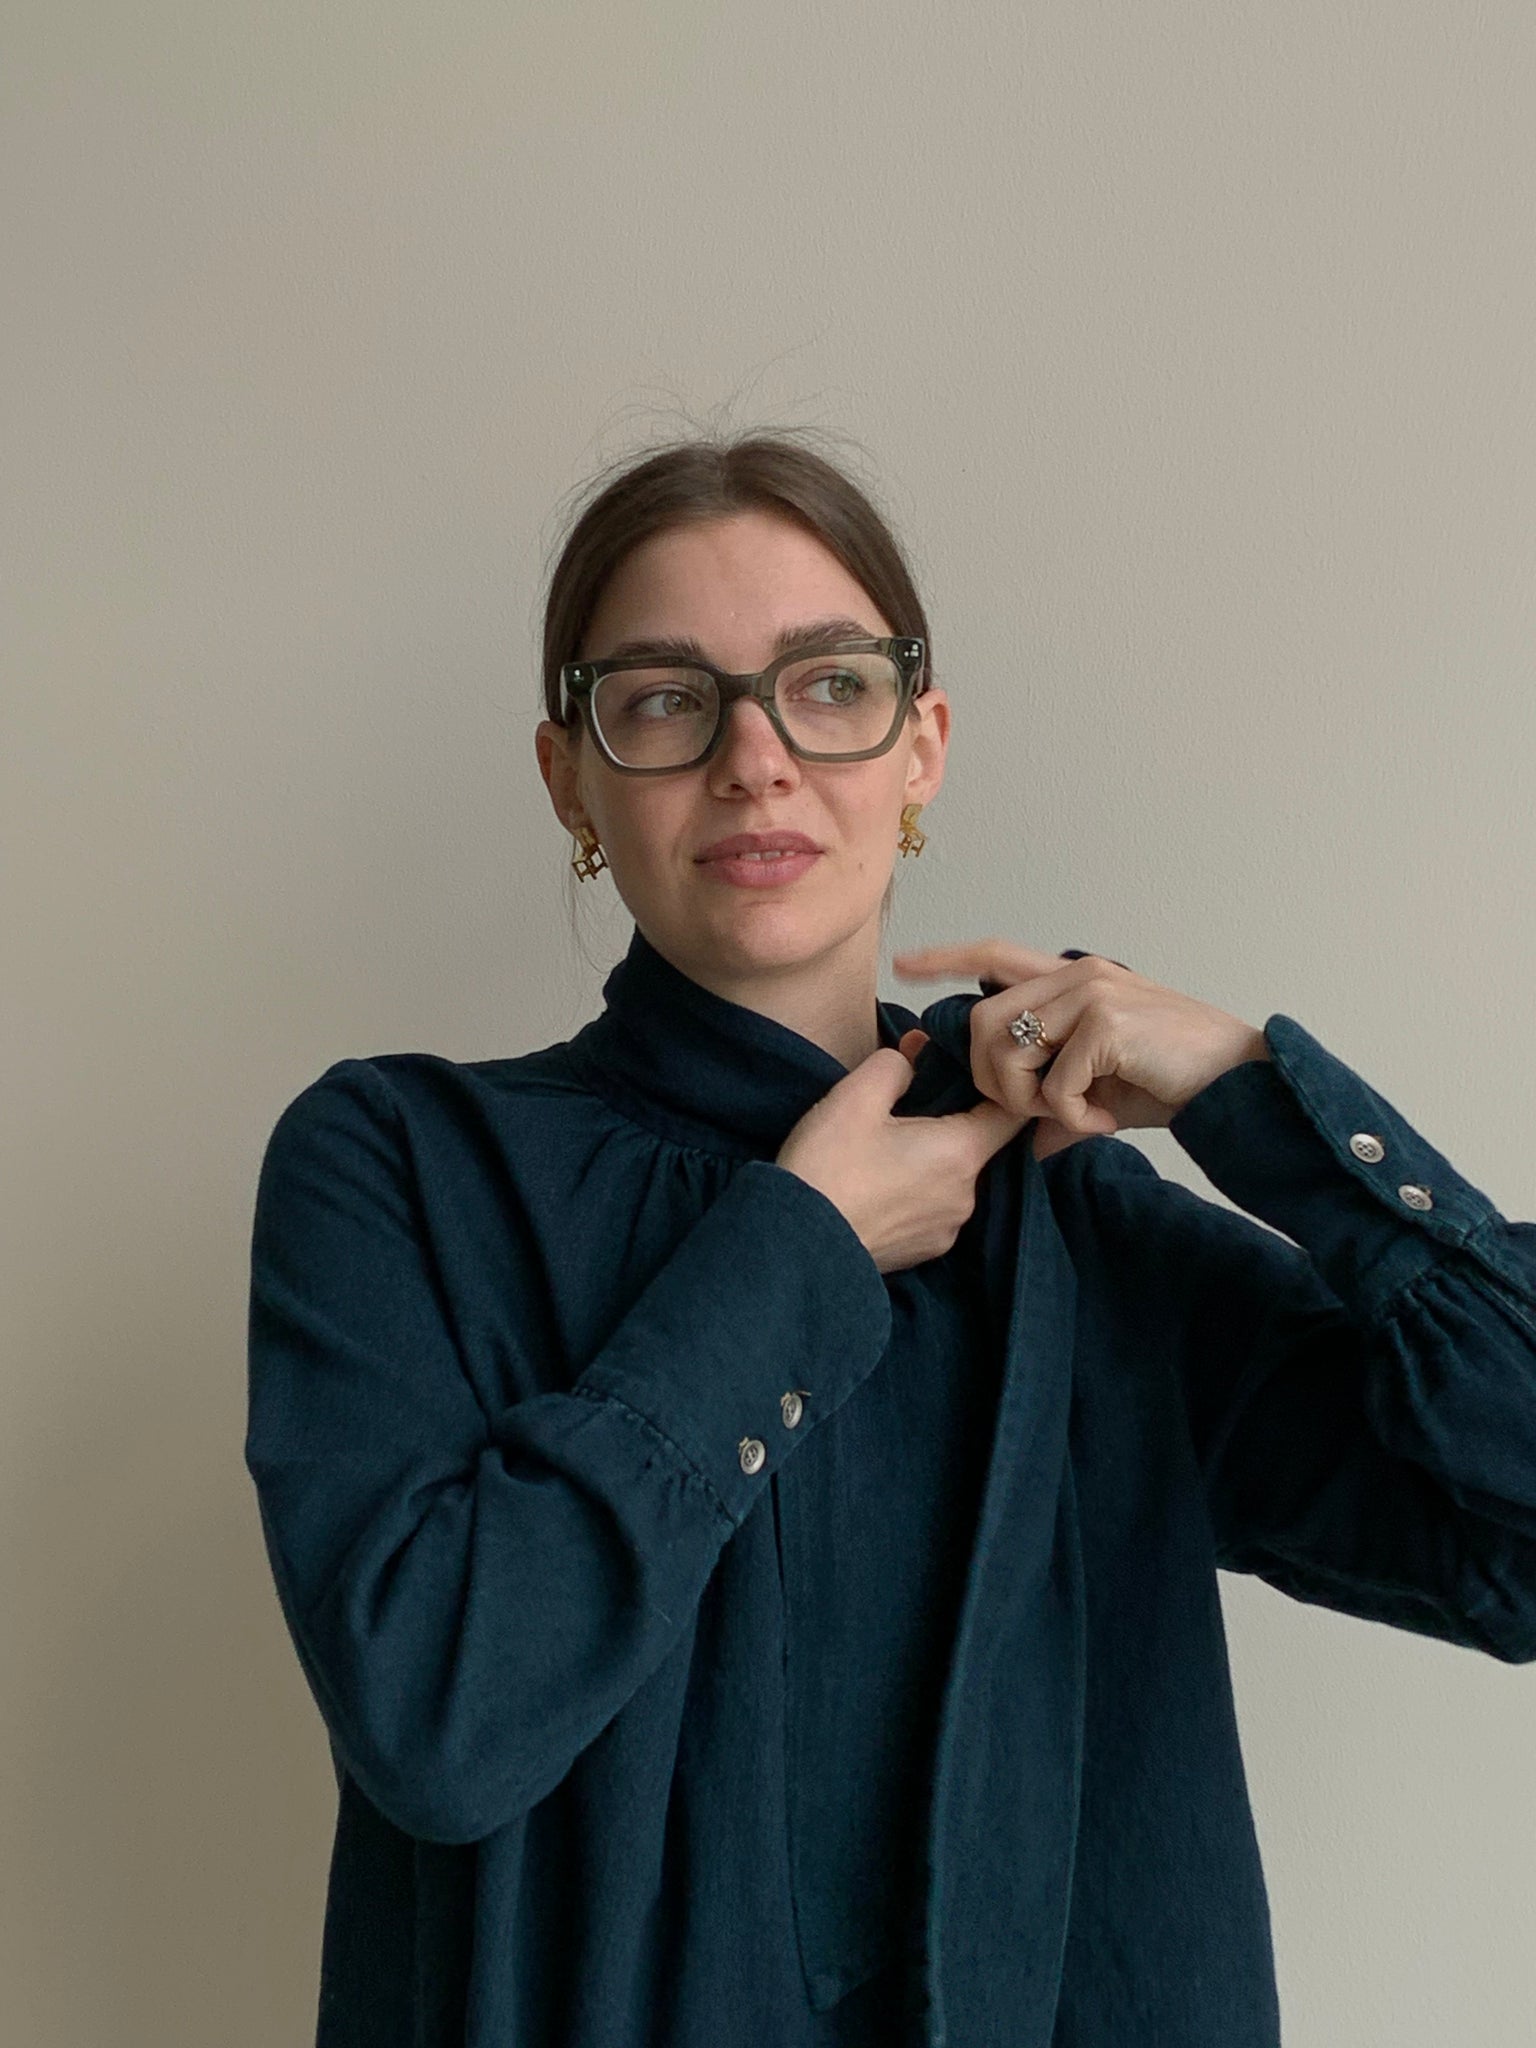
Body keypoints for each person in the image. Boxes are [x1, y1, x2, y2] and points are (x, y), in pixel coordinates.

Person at [245, 432, 1536, 2048]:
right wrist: (800, 1253)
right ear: (569, 774)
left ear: (921, 745)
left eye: (828, 686)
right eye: (663, 699)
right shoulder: (400, 1168)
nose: (755, 759)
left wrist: (1253, 1098)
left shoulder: (1072, 1226)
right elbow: (436, 1712)